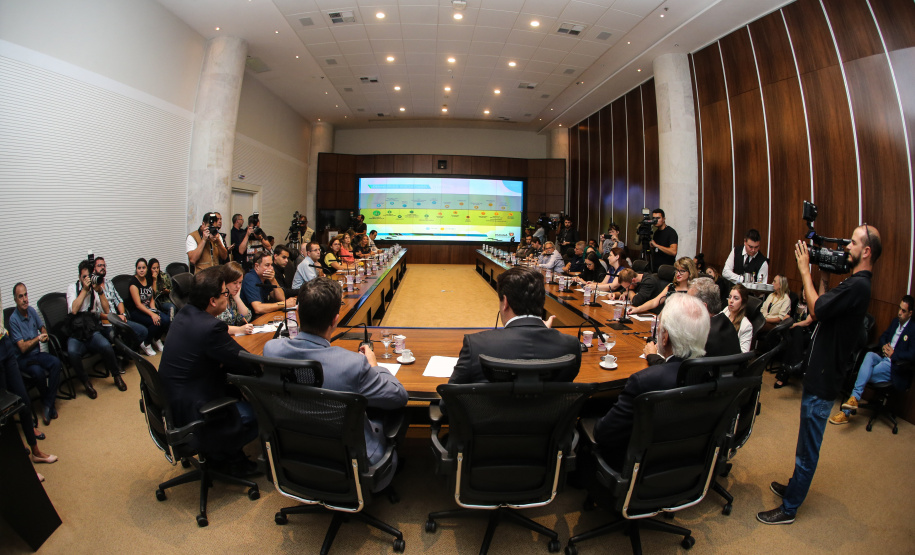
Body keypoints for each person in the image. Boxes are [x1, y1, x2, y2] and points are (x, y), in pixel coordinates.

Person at [758, 224, 880, 525]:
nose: (846, 247)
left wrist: (804, 270)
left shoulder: (859, 286)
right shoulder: (853, 283)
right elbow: (822, 311)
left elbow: (817, 309)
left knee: (808, 449)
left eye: (853, 243)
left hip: (825, 379)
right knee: (804, 443)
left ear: (866, 251)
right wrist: (823, 278)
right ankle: (794, 488)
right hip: (819, 373)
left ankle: (789, 508)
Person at [263, 277, 407, 490]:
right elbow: (398, 396)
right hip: (351, 463)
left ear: (298, 313)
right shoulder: (353, 364)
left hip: (295, 453)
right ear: (335, 320)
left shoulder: (271, 350)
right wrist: (374, 365)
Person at [157, 266, 259, 475]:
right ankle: (230, 461)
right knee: (258, 412)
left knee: (233, 387)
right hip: (194, 411)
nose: (228, 295)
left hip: (171, 404)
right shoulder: (211, 327)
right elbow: (246, 363)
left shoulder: (184, 313)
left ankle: (221, 454)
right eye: (225, 293)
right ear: (212, 301)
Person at [593, 293, 710, 470]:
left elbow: (603, 434)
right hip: (686, 466)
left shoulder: (644, 381)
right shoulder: (711, 374)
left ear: (665, 337)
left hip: (634, 469)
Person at [450, 266, 581, 385]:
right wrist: (542, 331)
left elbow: (450, 398)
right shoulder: (571, 345)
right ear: (542, 300)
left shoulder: (476, 344)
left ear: (505, 302)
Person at [830, 295, 914, 425]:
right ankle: (853, 401)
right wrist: (885, 346)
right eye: (899, 308)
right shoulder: (895, 322)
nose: (899, 313)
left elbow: (912, 354)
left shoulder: (913, 329)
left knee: (863, 374)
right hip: (883, 357)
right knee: (869, 355)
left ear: (910, 313)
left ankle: (847, 411)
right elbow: (883, 337)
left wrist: (894, 354)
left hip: (894, 366)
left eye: (903, 311)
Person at [644, 276, 741, 365]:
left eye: (690, 302)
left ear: (702, 307)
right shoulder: (726, 323)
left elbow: (674, 371)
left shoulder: (701, 334)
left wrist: (652, 356)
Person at [1, 323, 58, 466]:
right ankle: (21, 465)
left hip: (4, 343)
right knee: (5, 412)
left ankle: (36, 452)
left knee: (24, 403)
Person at [66, 259, 123, 395]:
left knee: (106, 346)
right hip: (76, 331)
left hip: (91, 329)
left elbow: (107, 310)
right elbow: (74, 309)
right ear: (79, 277)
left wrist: (100, 292)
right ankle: (86, 382)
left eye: (89, 276)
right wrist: (84, 290)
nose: (87, 279)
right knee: (72, 352)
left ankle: (116, 376)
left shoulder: (94, 289)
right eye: (84, 277)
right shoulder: (72, 288)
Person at [8, 283, 63, 425]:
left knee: (56, 363)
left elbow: (42, 327)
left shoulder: (31, 310)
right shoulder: (13, 319)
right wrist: (38, 338)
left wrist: (44, 334)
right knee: (38, 372)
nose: (25, 299)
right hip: (23, 359)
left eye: (26, 295)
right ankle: (49, 405)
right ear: (15, 299)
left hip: (36, 354)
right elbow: (22, 348)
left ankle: (48, 404)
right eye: (21, 296)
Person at [94, 256, 149, 354]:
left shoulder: (109, 282)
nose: (102, 267)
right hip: (105, 323)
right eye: (99, 265)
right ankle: (122, 354)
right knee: (119, 336)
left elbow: (118, 300)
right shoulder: (92, 287)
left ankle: (125, 354)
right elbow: (97, 314)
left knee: (143, 331)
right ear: (94, 269)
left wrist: (122, 314)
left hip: (118, 319)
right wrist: (114, 318)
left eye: (104, 265)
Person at [127, 258, 171, 354]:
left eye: (143, 268)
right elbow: (138, 305)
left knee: (166, 320)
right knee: (156, 322)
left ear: (147, 269)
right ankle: (145, 343)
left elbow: (151, 298)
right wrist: (152, 314)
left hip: (147, 308)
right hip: (136, 311)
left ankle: (156, 338)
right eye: (139, 268)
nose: (141, 270)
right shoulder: (133, 283)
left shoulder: (148, 280)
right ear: (136, 269)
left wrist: (154, 310)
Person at [628, 257, 698, 316]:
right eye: (677, 270)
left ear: (690, 272)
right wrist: (637, 309)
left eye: (682, 271)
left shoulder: (693, 290)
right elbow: (655, 302)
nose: (678, 274)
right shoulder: (671, 286)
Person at [774, 289, 815, 389]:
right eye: (803, 291)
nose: (805, 294)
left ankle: (782, 376)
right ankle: (796, 362)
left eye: (807, 292)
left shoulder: (812, 306)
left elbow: (807, 322)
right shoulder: (796, 302)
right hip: (794, 332)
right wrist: (788, 319)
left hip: (807, 334)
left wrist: (794, 325)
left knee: (795, 335)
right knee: (794, 336)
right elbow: (788, 315)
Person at [240, 250, 294, 315]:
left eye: (271, 265)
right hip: (251, 318)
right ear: (257, 266)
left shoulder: (265, 277)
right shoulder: (250, 278)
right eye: (267, 265)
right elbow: (258, 308)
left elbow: (281, 298)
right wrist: (283, 304)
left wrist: (273, 280)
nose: (271, 268)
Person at [217, 262, 254, 336]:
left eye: (240, 282)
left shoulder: (232, 297)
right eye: (235, 283)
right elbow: (217, 326)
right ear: (225, 282)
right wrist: (239, 330)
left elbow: (247, 317)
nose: (238, 286)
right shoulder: (217, 298)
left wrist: (237, 298)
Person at [722, 283, 753, 353]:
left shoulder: (746, 325)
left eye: (736, 298)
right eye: (730, 297)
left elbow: (744, 353)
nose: (731, 301)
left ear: (743, 302)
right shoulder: (726, 310)